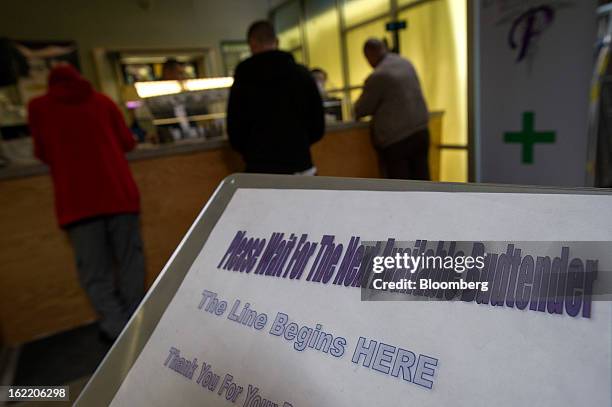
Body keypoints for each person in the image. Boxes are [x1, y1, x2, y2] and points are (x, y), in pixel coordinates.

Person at [28, 64, 145, 342]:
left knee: (96, 273)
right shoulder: (102, 101)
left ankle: (118, 331)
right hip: (119, 197)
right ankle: (138, 324)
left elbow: (42, 152)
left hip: (77, 203)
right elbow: (128, 143)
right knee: (130, 262)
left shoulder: (38, 108)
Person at [226, 20, 325, 174]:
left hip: (260, 168)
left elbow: (235, 130)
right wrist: (299, 143)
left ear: (251, 44)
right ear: (277, 41)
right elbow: (318, 126)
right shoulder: (301, 74)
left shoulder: (244, 78)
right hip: (300, 164)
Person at [354, 38, 430, 180]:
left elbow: (362, 109)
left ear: (370, 54)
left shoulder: (379, 75)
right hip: (421, 131)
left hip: (397, 140)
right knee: (422, 182)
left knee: (400, 190)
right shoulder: (405, 63)